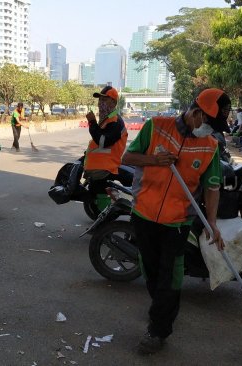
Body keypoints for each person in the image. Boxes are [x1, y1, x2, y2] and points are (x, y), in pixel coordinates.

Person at [122, 88, 228, 354]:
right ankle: (160, 313)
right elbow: (128, 158)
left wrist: (212, 223)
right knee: (152, 272)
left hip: (178, 222)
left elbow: (212, 187)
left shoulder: (210, 145)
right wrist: (155, 161)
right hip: (144, 214)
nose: (212, 130)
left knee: (170, 277)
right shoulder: (156, 126)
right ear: (196, 113)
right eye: (210, 123)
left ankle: (158, 330)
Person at [83, 86, 128, 211]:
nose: (100, 103)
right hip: (99, 168)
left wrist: (92, 123)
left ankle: (106, 224)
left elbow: (103, 141)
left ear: (113, 102)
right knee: (96, 193)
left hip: (106, 168)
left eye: (104, 100)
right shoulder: (107, 120)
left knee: (101, 195)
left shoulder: (115, 121)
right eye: (100, 100)